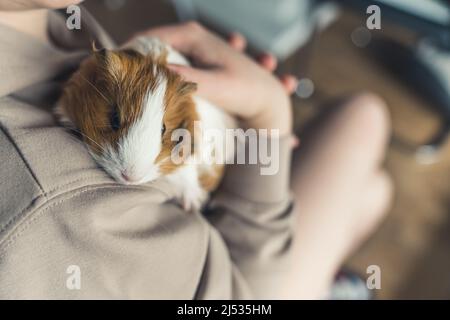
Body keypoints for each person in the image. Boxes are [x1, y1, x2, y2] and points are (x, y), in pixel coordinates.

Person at [0, 0, 392, 299]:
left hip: (198, 251)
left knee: (373, 190)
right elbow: (246, 300)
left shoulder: (46, 19)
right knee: (363, 119)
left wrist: (221, 116)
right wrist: (267, 118)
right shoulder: (52, 204)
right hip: (246, 283)